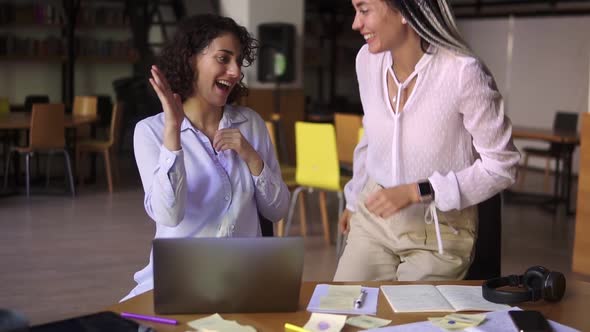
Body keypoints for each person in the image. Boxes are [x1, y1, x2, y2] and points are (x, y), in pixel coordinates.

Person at [334, 0, 520, 281]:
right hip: (375, 217)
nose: (355, 24)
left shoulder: (463, 72)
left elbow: (502, 166)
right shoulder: (366, 61)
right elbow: (371, 137)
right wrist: (352, 199)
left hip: (440, 229)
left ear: (405, 12)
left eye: (364, 10)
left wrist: (417, 190)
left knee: (406, 324)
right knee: (340, 314)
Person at [122, 14, 290, 300]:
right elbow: (168, 215)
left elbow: (278, 210)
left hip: (245, 281)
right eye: (223, 59)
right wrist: (173, 132)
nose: (235, 71)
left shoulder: (251, 123)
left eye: (238, 61)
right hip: (178, 282)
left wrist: (251, 157)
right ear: (191, 60)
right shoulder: (149, 132)